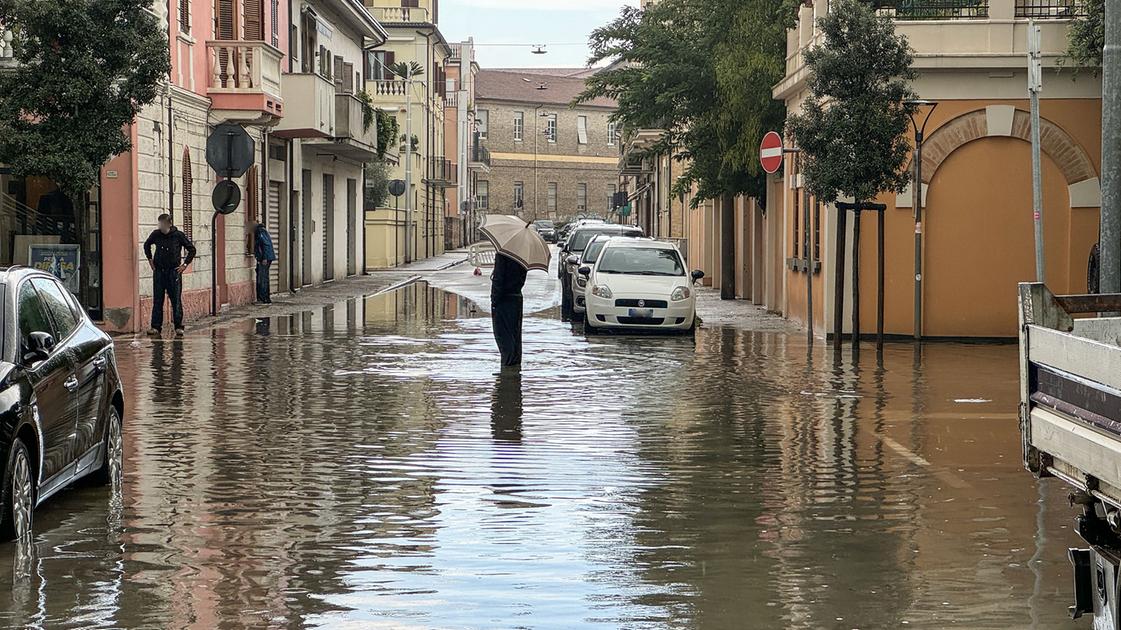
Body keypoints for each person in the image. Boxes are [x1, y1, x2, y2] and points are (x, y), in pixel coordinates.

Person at [144, 214, 196, 337]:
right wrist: (150, 260)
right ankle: (155, 326)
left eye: (162, 224)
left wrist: (184, 265)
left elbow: (192, 249)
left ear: (169, 224)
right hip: (159, 271)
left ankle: (178, 326)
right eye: (159, 224)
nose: (161, 226)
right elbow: (146, 245)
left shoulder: (178, 235)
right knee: (158, 300)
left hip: (174, 271)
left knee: (176, 300)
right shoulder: (156, 234)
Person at [491, 253, 528, 367]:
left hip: (504, 300)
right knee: (515, 336)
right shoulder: (522, 255)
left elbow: (499, 278)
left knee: (504, 337)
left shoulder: (502, 254)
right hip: (516, 298)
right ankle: (515, 368)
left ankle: (507, 370)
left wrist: (494, 300)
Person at [253, 221, 277, 304]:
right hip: (265, 257)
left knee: (262, 278)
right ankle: (266, 298)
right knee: (264, 278)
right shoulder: (262, 230)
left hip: (264, 258)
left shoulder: (260, 231)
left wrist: (264, 258)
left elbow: (265, 244)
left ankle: (263, 298)